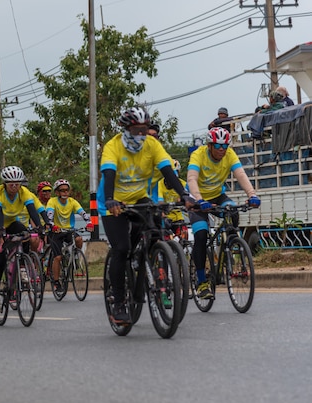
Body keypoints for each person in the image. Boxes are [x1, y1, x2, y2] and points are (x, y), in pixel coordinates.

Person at [97, 107, 193, 324]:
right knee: (122, 249)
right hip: (113, 203)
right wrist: (111, 199)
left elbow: (167, 170)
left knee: (158, 230)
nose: (141, 133)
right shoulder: (113, 147)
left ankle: (158, 270)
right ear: (126, 129)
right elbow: (109, 173)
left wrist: (185, 195)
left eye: (144, 129)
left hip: (140, 198)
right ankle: (119, 301)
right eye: (136, 129)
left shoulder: (152, 144)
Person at [187, 127, 261, 299]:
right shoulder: (198, 154)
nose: (221, 149)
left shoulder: (229, 154)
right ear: (210, 145)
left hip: (217, 195)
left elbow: (241, 174)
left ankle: (230, 249)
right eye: (218, 146)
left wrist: (252, 195)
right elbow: (191, 178)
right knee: (201, 235)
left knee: (233, 212)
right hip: (197, 198)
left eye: (224, 146)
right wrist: (199, 199)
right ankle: (201, 282)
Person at [0, 166, 43, 313]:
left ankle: (22, 265)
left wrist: (41, 226)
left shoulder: (24, 192)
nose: (15, 187)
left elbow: (32, 209)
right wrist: (1, 230)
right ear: (5, 184)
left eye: (18, 183)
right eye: (11, 184)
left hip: (11, 223)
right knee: (0, 260)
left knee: (26, 234)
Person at [45, 179, 93, 290]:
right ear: (57, 192)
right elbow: (49, 216)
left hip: (69, 230)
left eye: (67, 190)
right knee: (57, 257)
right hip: (56, 232)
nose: (65, 193)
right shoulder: (52, 201)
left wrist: (89, 222)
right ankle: (56, 282)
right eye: (62, 191)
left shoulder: (72, 202)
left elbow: (82, 212)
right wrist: (53, 225)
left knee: (79, 239)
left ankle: (75, 257)